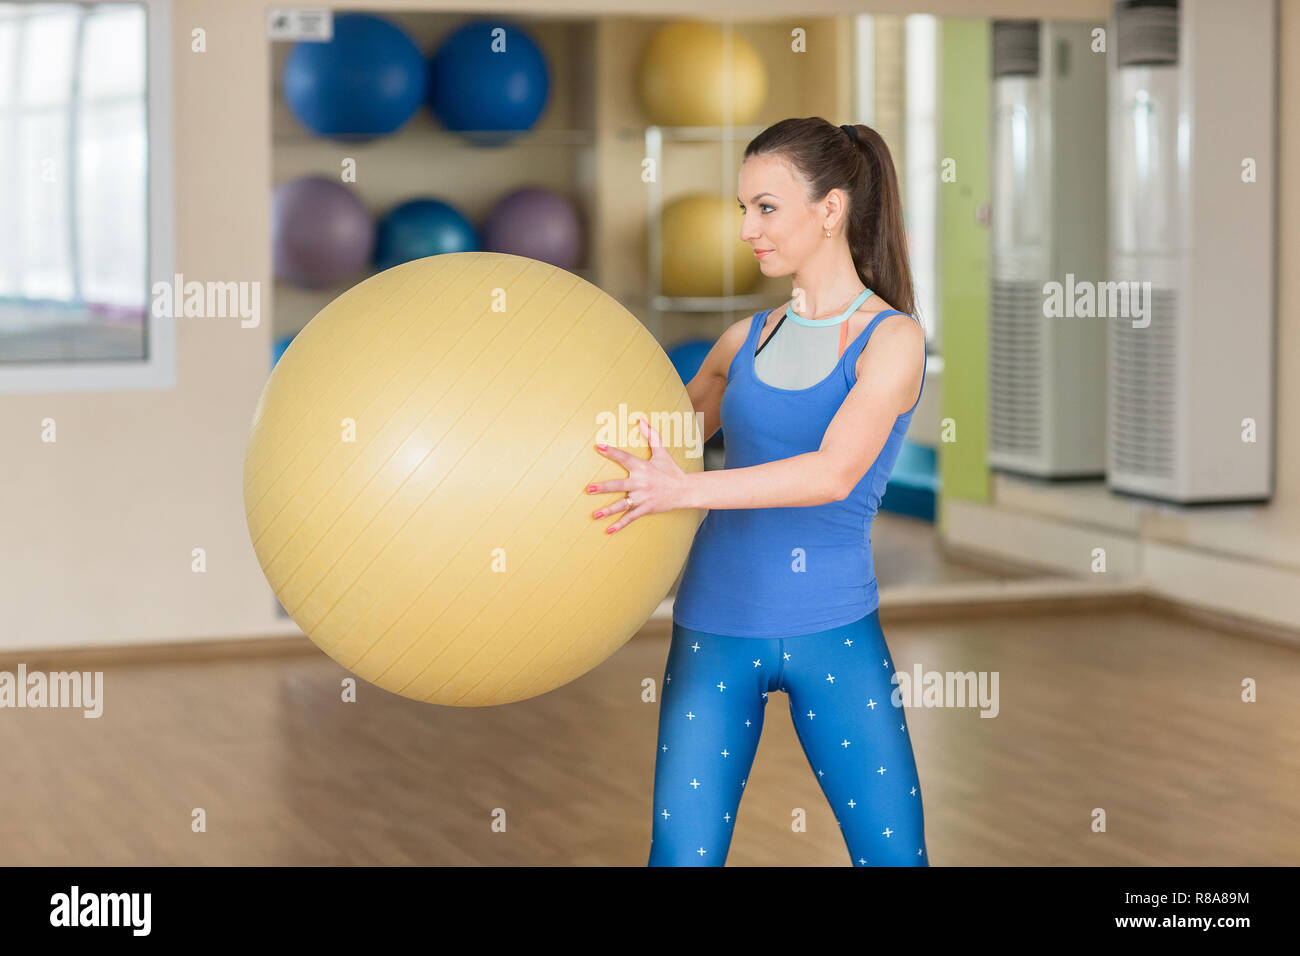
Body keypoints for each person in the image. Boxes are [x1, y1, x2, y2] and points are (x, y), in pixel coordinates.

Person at [586, 117, 928, 866]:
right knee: (681, 859)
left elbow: (833, 471)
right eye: (743, 208)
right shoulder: (747, 339)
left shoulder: (893, 340)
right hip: (715, 625)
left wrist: (688, 490)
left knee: (894, 858)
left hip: (834, 632)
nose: (747, 229)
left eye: (765, 207)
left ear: (830, 210)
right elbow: (645, 439)